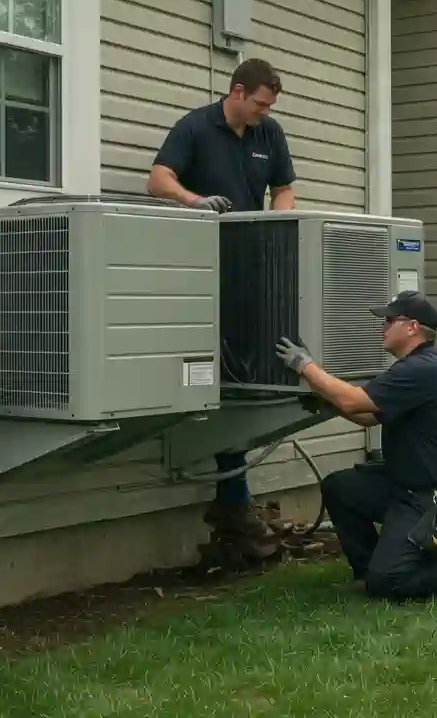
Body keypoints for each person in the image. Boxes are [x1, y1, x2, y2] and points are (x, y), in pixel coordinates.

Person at [147, 57, 297, 561]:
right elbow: (158, 179)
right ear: (236, 92)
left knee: (251, 370)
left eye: (269, 106)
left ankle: (233, 495)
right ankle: (233, 497)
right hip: (203, 271)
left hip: (253, 267)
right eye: (260, 103)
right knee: (216, 373)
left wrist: (277, 227)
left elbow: (285, 188)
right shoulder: (195, 127)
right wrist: (194, 202)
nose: (265, 112)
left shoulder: (268, 134)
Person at [272, 290, 437, 601]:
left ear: (412, 327)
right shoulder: (412, 367)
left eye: (390, 320)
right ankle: (368, 572)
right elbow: (366, 415)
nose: (383, 327)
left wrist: (304, 365)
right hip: (405, 485)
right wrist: (326, 403)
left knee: (391, 581)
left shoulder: (422, 370)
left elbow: (353, 400)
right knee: (341, 488)